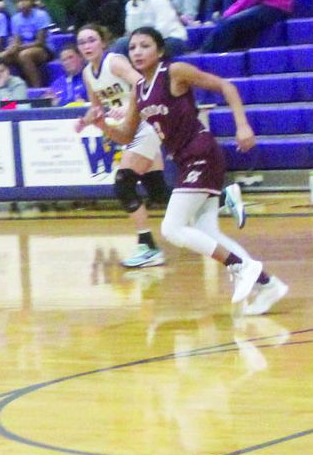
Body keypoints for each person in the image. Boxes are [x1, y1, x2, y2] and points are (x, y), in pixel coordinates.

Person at [96, 27, 287, 314]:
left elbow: (227, 87)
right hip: (184, 159)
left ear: (159, 51)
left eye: (144, 46)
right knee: (207, 231)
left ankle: (242, 266)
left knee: (172, 228)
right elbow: (125, 135)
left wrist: (242, 125)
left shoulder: (175, 72)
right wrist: (100, 124)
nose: (136, 52)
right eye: (132, 47)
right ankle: (267, 284)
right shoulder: (139, 90)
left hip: (201, 152)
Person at [76, 24, 173, 268]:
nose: (87, 46)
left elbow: (143, 84)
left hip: (146, 122)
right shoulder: (88, 73)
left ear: (102, 42)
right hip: (133, 127)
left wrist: (128, 106)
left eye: (91, 40)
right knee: (158, 191)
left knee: (124, 183)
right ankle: (224, 198)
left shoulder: (114, 62)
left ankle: (148, 247)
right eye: (82, 42)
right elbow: (97, 107)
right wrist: (87, 119)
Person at [115, 0, 188, 56]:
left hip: (169, 38)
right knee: (121, 43)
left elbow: (164, 26)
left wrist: (147, 42)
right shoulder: (130, 5)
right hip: (143, 42)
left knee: (162, 47)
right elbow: (132, 30)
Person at [3, 0, 54, 87]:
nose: (22, 3)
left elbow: (40, 42)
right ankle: (12, 89)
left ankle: (36, 89)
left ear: (31, 1)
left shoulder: (41, 15)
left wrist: (19, 47)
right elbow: (17, 40)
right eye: (18, 1)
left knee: (24, 55)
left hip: (45, 49)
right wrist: (12, 48)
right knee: (3, 57)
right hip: (23, 48)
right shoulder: (15, 19)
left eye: (25, 0)